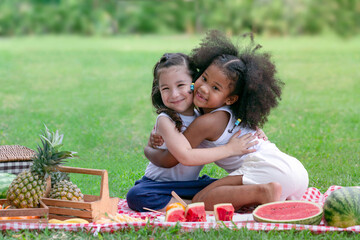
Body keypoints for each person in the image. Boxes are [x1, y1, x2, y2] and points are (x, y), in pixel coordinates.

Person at [145, 30, 309, 211]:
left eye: (215, 87)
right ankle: (263, 198)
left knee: (201, 200)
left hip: (268, 171)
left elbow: (173, 158)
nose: (204, 89)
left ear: (230, 98)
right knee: (221, 192)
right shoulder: (236, 113)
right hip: (296, 172)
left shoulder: (206, 122)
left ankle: (263, 192)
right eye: (204, 78)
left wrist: (149, 150)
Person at [126, 52, 261, 212]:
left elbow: (232, 116)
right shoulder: (165, 120)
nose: (174, 94)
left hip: (189, 184)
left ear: (194, 82)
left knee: (224, 184)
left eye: (181, 85)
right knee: (136, 195)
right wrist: (229, 149)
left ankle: (247, 198)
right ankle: (191, 206)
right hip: (158, 185)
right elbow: (183, 156)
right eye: (165, 88)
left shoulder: (203, 117)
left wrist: (257, 129)